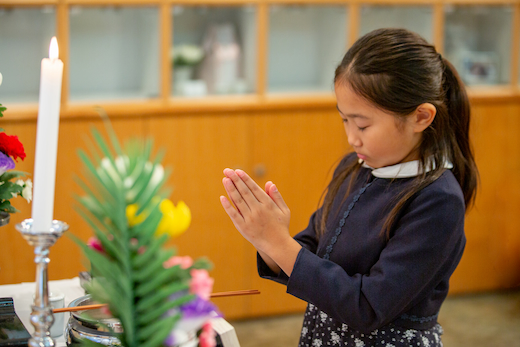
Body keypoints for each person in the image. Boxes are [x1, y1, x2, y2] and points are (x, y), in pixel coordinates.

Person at [220, 28, 478, 347]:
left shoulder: (438, 200)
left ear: (421, 117)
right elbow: (315, 250)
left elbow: (368, 306)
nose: (351, 137)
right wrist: (269, 239)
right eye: (344, 120)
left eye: (363, 124)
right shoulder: (355, 166)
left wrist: (278, 243)